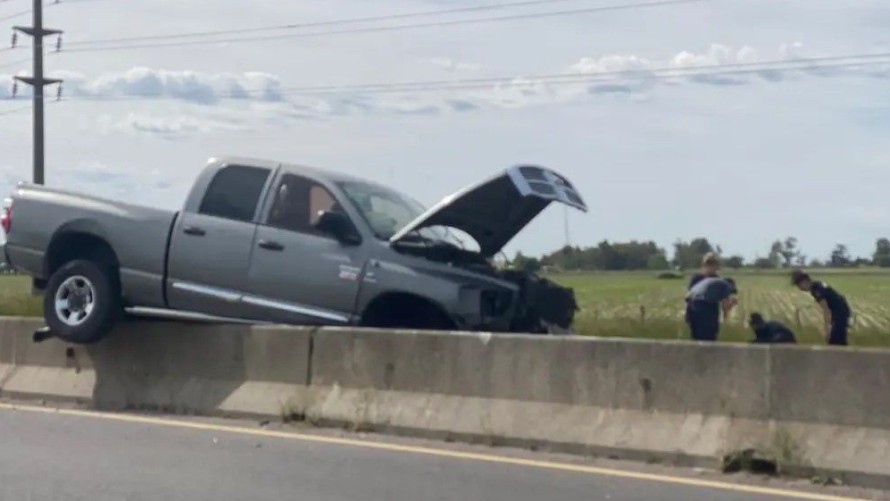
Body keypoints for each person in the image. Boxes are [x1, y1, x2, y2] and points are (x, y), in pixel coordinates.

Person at [791, 270, 852, 346]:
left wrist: (827, 329)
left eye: (798, 285)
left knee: (835, 341)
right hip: (841, 310)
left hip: (839, 312)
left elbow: (826, 310)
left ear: (804, 281)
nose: (799, 288)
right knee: (839, 339)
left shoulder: (816, 290)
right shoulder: (817, 285)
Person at [685, 276, 738, 341]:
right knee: (709, 335)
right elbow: (725, 307)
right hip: (704, 306)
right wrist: (732, 304)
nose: (729, 293)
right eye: (731, 291)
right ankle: (709, 350)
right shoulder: (725, 285)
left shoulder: (712, 281)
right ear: (731, 285)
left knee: (697, 335)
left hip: (691, 306)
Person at [684, 252, 721, 329]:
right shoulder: (696, 279)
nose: (710, 267)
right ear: (704, 265)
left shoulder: (717, 280)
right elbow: (688, 298)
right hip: (696, 316)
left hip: (711, 318)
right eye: (708, 265)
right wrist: (688, 314)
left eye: (712, 265)